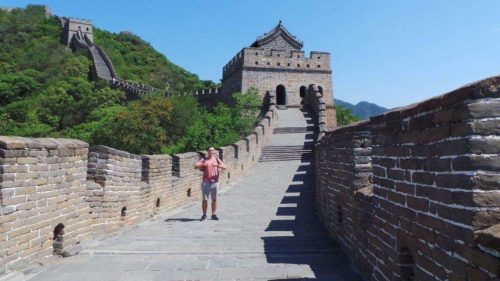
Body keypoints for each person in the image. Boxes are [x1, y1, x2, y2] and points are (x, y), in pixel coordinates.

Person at [194, 147, 227, 221]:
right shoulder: (204, 159)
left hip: (215, 182)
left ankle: (214, 214)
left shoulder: (216, 159)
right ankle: (204, 214)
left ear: (214, 151)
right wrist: (203, 164)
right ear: (207, 151)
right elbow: (195, 166)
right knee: (205, 199)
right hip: (206, 182)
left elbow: (225, 166)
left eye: (212, 150)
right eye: (209, 150)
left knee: (214, 199)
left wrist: (217, 165)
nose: (211, 151)